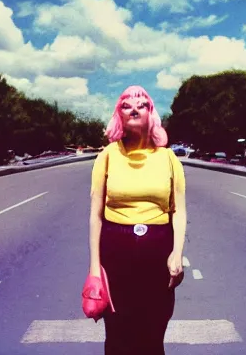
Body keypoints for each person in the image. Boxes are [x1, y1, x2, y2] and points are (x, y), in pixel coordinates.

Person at [88, 85, 187, 355]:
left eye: (141, 104)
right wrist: (95, 270)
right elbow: (96, 216)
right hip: (115, 255)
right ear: (118, 115)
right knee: (118, 334)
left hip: (158, 256)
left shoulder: (168, 159)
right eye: (126, 105)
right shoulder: (107, 157)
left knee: (153, 334)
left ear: (151, 114)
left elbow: (178, 211)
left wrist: (177, 254)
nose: (134, 108)